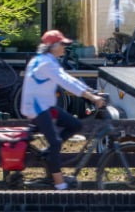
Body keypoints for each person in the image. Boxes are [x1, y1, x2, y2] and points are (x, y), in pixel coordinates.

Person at [19, 29, 104, 191]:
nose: (64, 47)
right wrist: (91, 98)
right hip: (37, 109)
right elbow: (65, 82)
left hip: (45, 106)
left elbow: (68, 78)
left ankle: (49, 154)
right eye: (62, 44)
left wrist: (91, 92)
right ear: (53, 46)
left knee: (75, 125)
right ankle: (59, 184)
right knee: (56, 142)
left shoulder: (44, 60)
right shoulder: (45, 63)